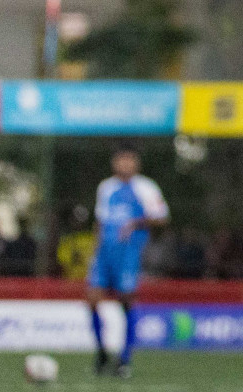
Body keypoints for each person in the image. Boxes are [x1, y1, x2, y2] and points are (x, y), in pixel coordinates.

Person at [87, 145, 168, 378]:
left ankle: (124, 359)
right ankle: (101, 352)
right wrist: (95, 249)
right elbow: (100, 220)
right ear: (114, 162)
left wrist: (135, 223)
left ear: (136, 163)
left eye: (130, 160)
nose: (125, 164)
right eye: (121, 160)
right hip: (104, 253)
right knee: (92, 299)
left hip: (129, 253)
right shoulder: (106, 187)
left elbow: (161, 217)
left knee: (127, 301)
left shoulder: (145, 187)